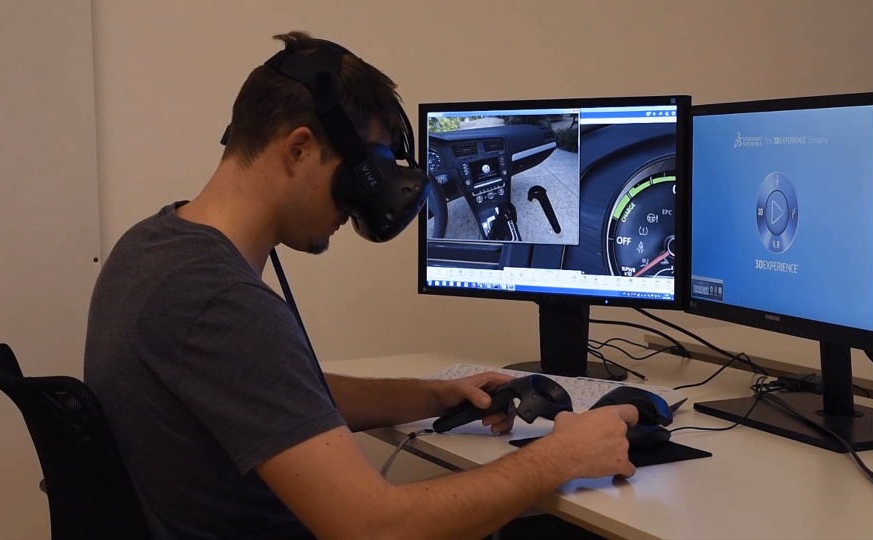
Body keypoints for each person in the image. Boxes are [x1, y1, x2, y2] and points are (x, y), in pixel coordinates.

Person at [84, 30, 639, 540]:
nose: (359, 207)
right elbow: (372, 529)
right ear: (298, 149)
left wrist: (433, 395)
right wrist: (559, 458)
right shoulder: (220, 301)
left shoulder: (152, 246)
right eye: (360, 176)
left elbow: (279, 390)